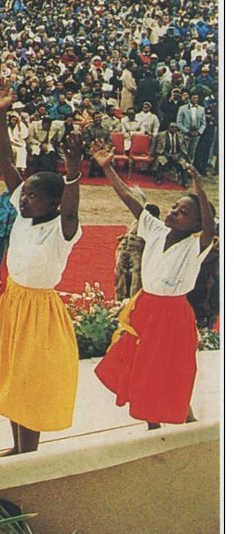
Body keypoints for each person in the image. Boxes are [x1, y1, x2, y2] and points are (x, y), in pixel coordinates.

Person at [0, 77, 85, 456]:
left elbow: (73, 206)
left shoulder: (63, 228)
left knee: (30, 383)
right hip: (12, 301)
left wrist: (74, 170)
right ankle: (17, 448)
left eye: (34, 195)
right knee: (12, 378)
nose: (25, 198)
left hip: (38, 310)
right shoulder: (23, 212)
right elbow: (4, 163)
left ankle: (27, 453)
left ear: (54, 202)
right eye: (25, 192)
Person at [91, 147, 214, 429]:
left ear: (196, 223)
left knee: (172, 369)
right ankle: (152, 425)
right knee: (143, 367)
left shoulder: (197, 246)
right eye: (175, 207)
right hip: (146, 307)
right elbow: (129, 199)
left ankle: (186, 418)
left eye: (184, 213)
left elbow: (209, 226)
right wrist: (108, 168)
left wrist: (200, 189)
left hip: (173, 315)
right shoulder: (156, 230)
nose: (174, 213)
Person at [114, 204, 161, 301]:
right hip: (129, 252)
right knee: (128, 276)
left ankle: (127, 301)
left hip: (129, 252)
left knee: (129, 276)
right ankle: (126, 301)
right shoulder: (145, 224)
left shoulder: (140, 223)